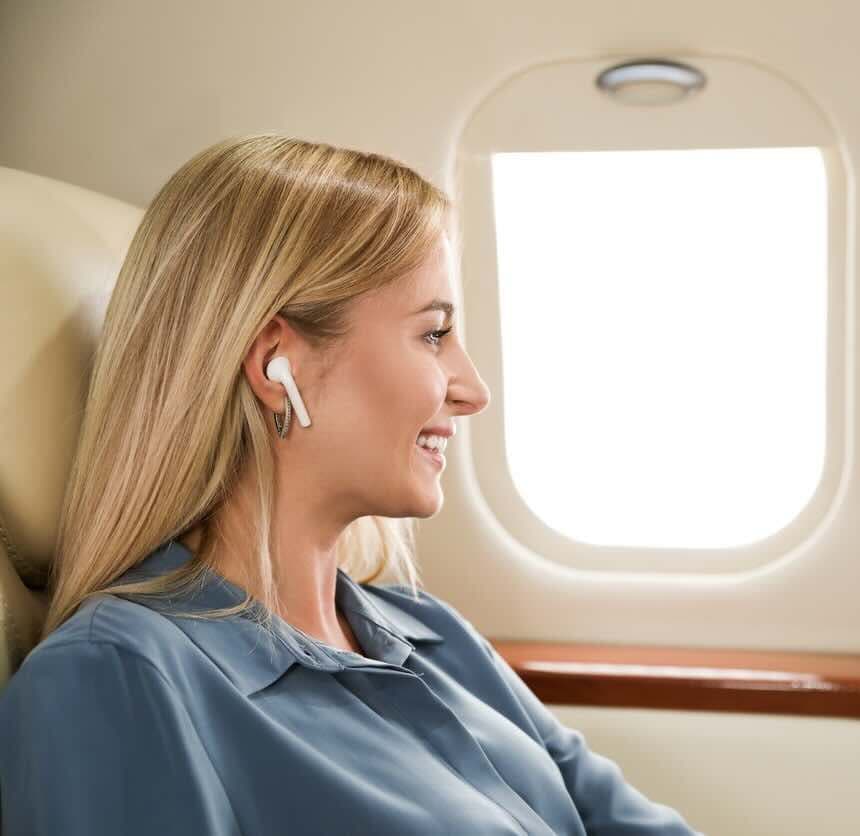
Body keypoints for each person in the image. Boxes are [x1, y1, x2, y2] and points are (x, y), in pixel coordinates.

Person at [0, 134, 702, 835]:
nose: (473, 390)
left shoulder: (430, 634)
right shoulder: (113, 682)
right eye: (433, 334)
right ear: (280, 366)